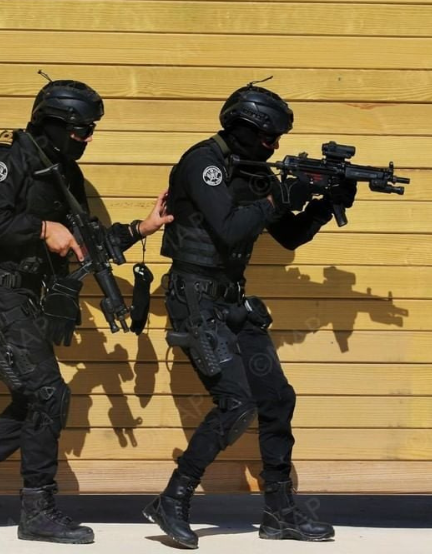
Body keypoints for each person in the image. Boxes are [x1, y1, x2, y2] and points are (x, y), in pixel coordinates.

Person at [0, 77, 173, 544]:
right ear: (52, 123)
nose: (87, 139)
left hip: (25, 297)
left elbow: (83, 241)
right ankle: (35, 510)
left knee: (38, 399)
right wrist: (40, 228)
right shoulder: (8, 156)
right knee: (49, 394)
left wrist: (140, 228)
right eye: (80, 130)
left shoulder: (64, 172)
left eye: (91, 130)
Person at [145, 82, 357, 549]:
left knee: (277, 399)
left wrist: (324, 205)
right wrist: (280, 196)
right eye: (267, 138)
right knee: (236, 403)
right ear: (242, 127)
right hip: (195, 299)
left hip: (231, 301)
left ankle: (280, 513)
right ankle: (172, 499)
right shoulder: (203, 163)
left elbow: (288, 236)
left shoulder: (255, 171)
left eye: (277, 139)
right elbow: (228, 228)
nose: (274, 147)